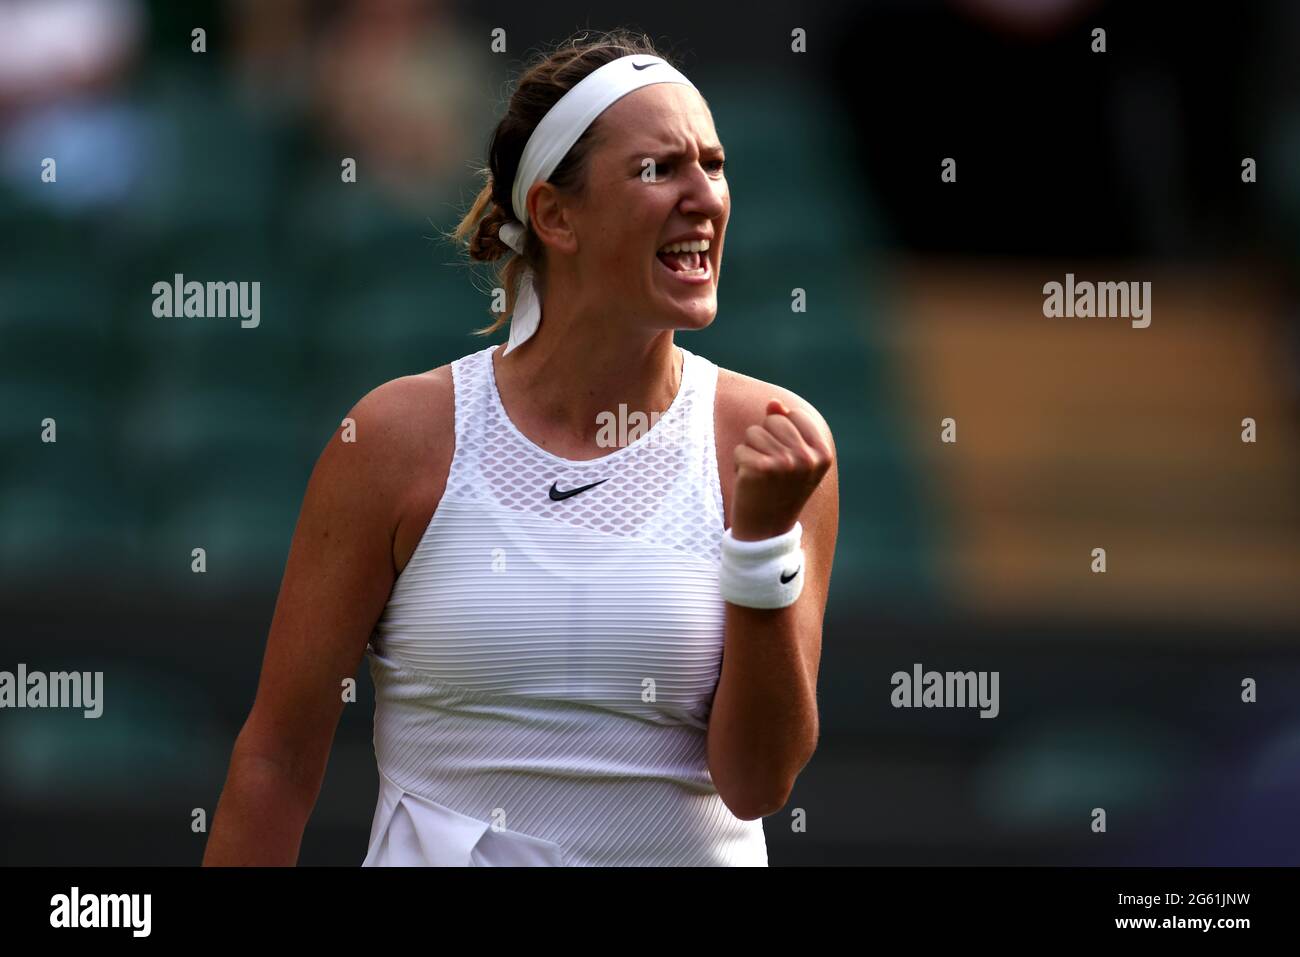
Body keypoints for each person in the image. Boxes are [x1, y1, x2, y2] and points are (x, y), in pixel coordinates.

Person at [203, 28, 838, 867]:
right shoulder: (395, 440)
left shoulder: (771, 444)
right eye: (661, 169)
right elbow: (277, 758)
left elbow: (757, 784)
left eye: (713, 166)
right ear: (554, 214)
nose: (706, 198)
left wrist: (760, 547)